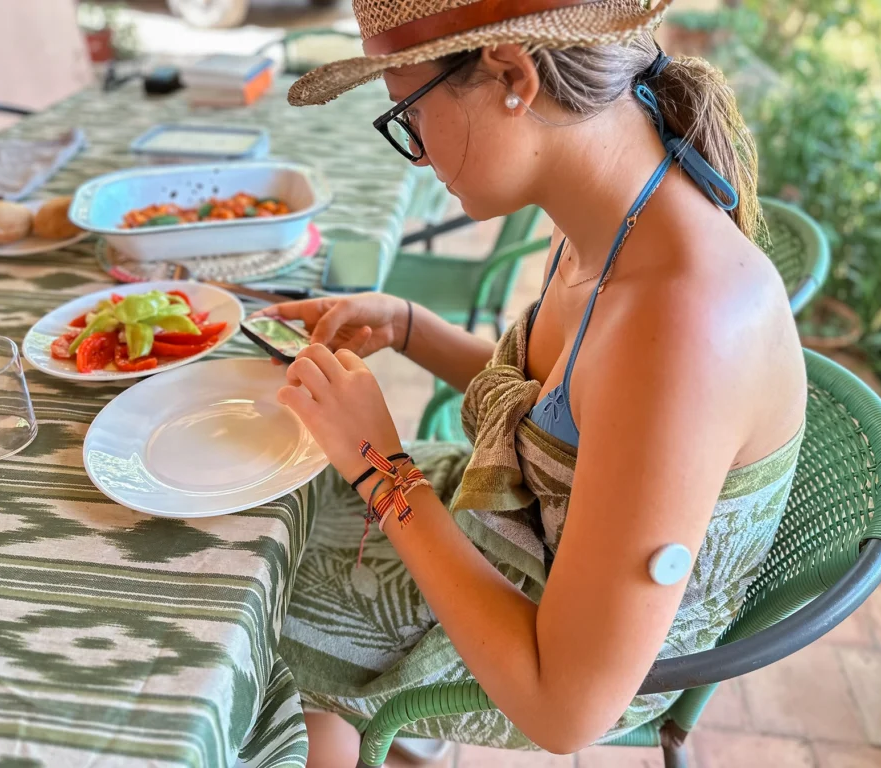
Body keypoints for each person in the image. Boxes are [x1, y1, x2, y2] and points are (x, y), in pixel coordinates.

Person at [260, 1, 806, 765]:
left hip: (559, 651)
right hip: (512, 544)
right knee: (264, 532)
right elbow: (560, 418)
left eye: (408, 115)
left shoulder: (685, 324)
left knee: (251, 628)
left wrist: (380, 468)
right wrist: (411, 326)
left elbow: (564, 709)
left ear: (513, 76)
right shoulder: (612, 212)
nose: (415, 152)